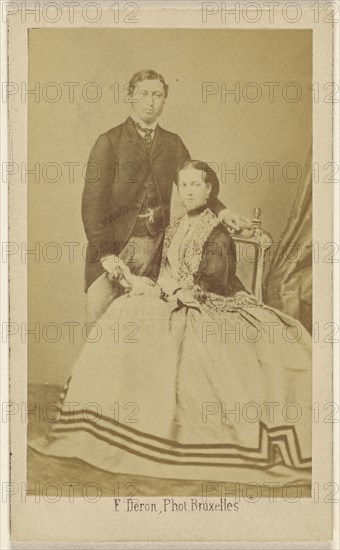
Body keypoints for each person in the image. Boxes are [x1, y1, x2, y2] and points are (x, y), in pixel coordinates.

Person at [30, 161, 312, 488]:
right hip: (173, 297)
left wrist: (171, 292)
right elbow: (165, 275)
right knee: (124, 313)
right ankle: (111, 422)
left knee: (182, 348)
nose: (190, 191)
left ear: (210, 190)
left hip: (208, 305)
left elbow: (214, 284)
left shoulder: (217, 232)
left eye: (197, 185)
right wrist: (135, 279)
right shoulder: (177, 226)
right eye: (185, 185)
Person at [82, 69, 249, 322]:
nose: (150, 101)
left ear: (164, 100)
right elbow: (91, 206)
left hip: (156, 251)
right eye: (144, 94)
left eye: (157, 95)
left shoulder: (172, 143)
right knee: (100, 320)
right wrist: (106, 255)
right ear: (131, 96)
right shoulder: (109, 142)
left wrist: (223, 211)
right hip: (113, 248)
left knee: (147, 324)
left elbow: (196, 182)